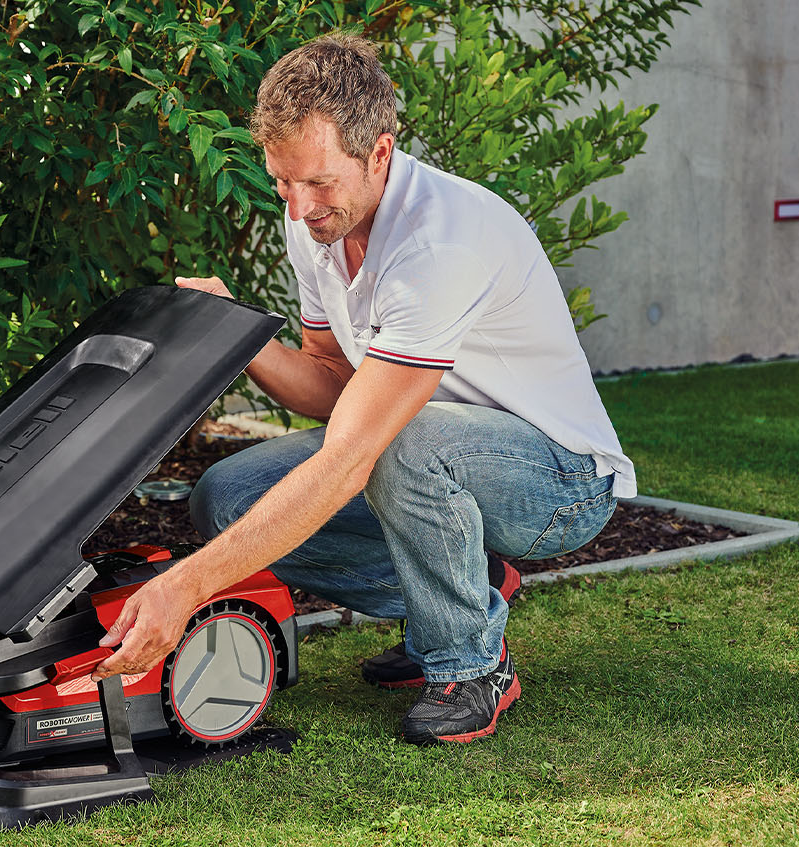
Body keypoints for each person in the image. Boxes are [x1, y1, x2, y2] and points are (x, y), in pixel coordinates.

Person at [91, 32, 635, 745]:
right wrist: (238, 336)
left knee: (393, 443)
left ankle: (470, 664)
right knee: (226, 495)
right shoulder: (318, 221)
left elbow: (354, 452)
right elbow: (333, 381)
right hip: (430, 449)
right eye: (282, 181)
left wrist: (184, 587)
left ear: (378, 152)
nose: (297, 206)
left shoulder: (440, 242)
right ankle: (468, 589)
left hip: (559, 479)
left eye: (316, 182)